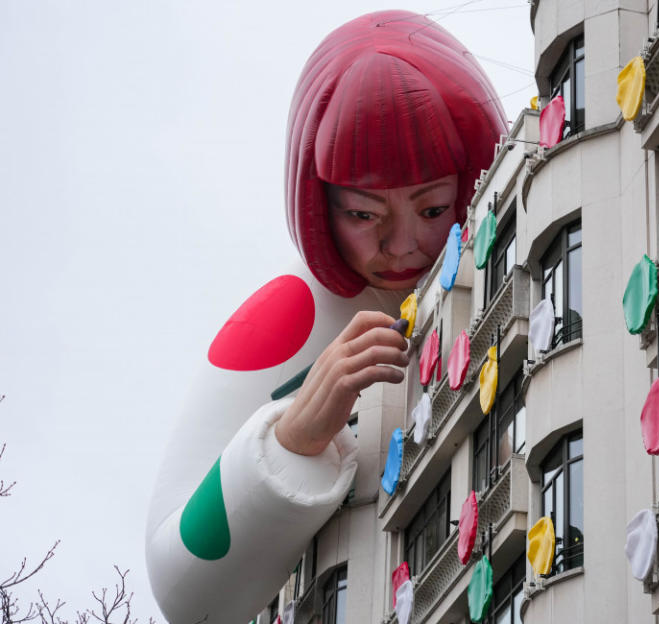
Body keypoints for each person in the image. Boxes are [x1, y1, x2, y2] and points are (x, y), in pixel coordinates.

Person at [145, 11, 506, 623]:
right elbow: (178, 582)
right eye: (365, 215)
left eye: (433, 207)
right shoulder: (291, 311)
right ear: (320, 206)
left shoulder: (516, 243)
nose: (401, 245)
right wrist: (293, 437)